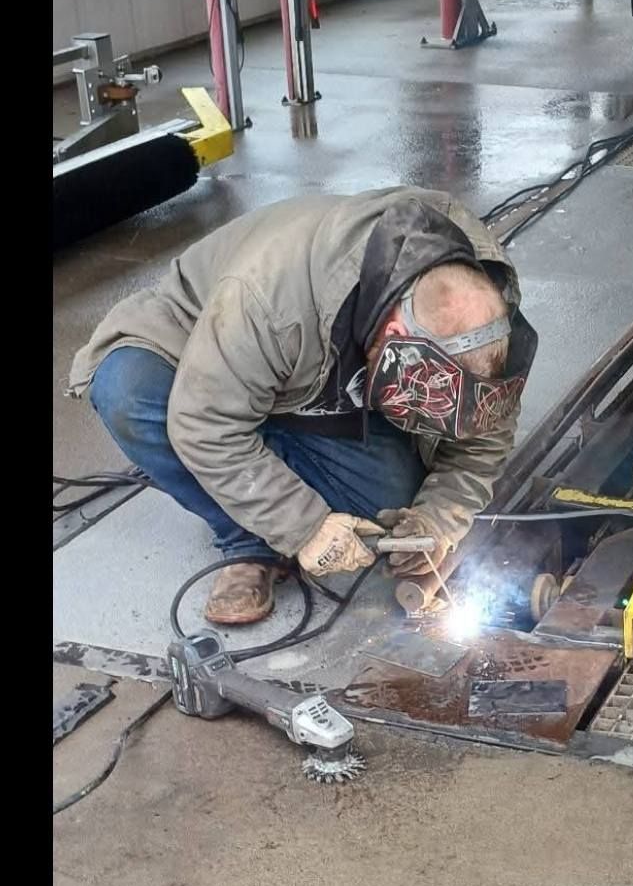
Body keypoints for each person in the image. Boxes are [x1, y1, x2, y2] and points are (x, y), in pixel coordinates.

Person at [67, 188, 537, 626]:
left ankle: (263, 470)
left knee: (389, 511)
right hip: (202, 350)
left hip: (312, 388)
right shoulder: (270, 300)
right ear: (396, 338)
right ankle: (247, 542)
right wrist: (304, 526)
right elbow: (203, 424)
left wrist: (439, 517)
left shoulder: (488, 321)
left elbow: (480, 443)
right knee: (127, 393)